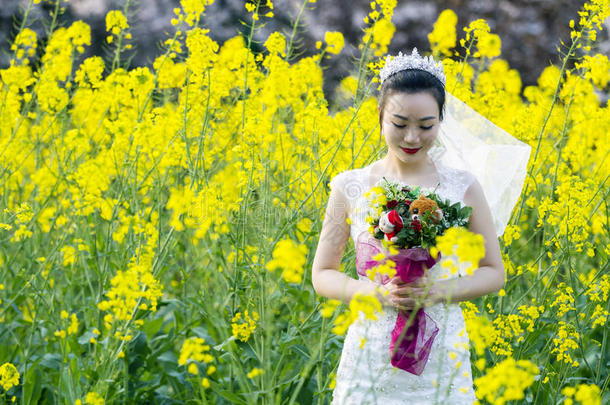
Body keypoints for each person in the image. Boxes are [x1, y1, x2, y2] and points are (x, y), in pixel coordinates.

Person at [311, 48, 506, 404]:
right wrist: (378, 295)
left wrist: (436, 291)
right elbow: (323, 273)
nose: (412, 138)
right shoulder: (349, 185)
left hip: (441, 348)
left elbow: (494, 272)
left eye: (426, 126)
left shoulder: (463, 186)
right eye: (400, 124)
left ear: (441, 120)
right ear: (380, 116)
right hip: (370, 348)